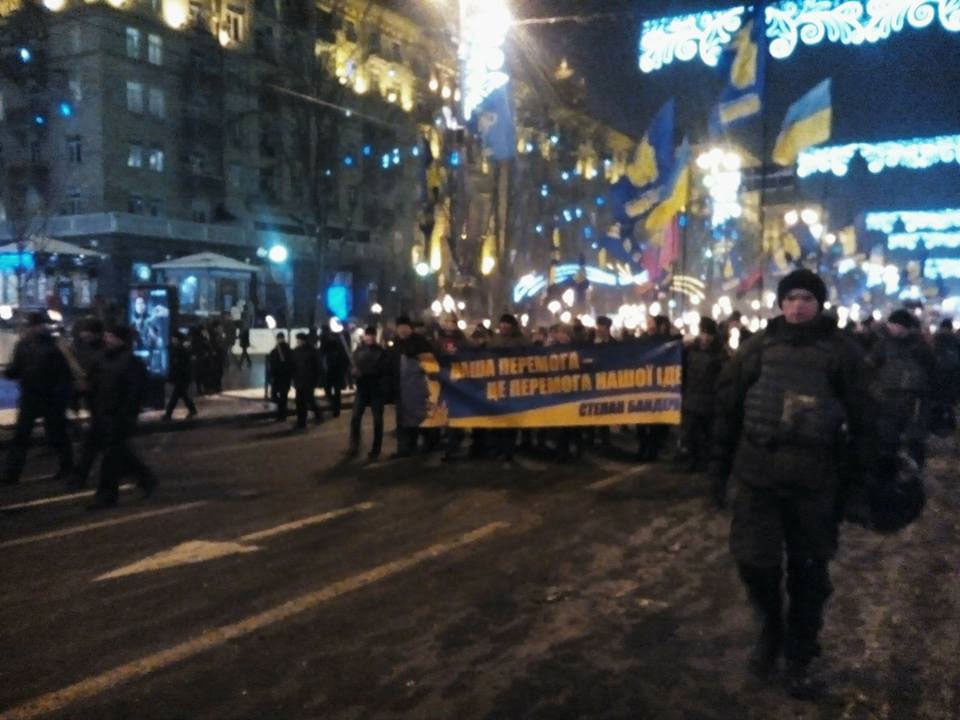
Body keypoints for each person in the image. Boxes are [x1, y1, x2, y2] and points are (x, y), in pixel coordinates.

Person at [709, 269, 867, 698]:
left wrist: (859, 480)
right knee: (753, 561)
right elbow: (728, 410)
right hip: (758, 476)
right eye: (791, 297)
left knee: (808, 572)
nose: (798, 306)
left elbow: (864, 418)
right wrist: (718, 473)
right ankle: (771, 629)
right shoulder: (755, 349)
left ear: (819, 304)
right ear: (780, 303)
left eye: (807, 299)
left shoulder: (842, 353)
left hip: (814, 482)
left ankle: (800, 652)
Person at [84, 324, 157, 509]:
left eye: (111, 336)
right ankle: (146, 478)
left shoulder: (131, 362)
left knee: (110, 457)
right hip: (101, 414)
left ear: (120, 340)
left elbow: (136, 392)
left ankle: (106, 496)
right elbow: (93, 384)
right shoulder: (101, 358)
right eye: (107, 335)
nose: (107, 339)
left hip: (119, 416)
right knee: (120, 453)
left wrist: (127, 414)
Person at [2, 313, 74, 485]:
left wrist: (9, 373)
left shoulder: (25, 345)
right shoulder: (53, 345)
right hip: (47, 397)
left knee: (24, 436)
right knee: (54, 433)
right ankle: (66, 467)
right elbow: (64, 373)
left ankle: (12, 474)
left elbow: (16, 369)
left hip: (36, 396)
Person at [865, 309, 936, 468]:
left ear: (903, 326)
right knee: (887, 438)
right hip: (888, 398)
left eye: (893, 324)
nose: (890, 327)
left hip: (915, 401)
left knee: (914, 438)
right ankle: (887, 469)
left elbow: (932, 370)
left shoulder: (920, 347)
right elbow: (869, 367)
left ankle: (913, 469)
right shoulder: (883, 345)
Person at [681, 317, 726, 475]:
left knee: (707, 435)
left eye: (709, 334)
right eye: (702, 333)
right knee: (690, 434)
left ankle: (706, 462)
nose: (705, 337)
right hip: (691, 399)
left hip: (709, 401)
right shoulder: (690, 350)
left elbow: (725, 378)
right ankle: (692, 461)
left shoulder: (720, 354)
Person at [389, 316, 433, 458]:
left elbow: (430, 363)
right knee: (403, 420)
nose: (402, 330)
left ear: (410, 328)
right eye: (399, 327)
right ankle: (405, 448)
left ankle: (428, 444)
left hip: (417, 387)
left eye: (405, 327)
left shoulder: (420, 342)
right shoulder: (395, 344)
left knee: (420, 417)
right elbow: (390, 364)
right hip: (400, 388)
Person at [348, 326, 388, 459]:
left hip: (376, 389)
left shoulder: (381, 352)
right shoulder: (358, 351)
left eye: (371, 335)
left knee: (377, 420)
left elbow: (383, 370)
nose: (369, 337)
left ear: (375, 336)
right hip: (362, 389)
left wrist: (364, 373)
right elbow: (352, 367)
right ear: (364, 336)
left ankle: (376, 448)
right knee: (355, 418)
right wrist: (353, 373)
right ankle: (354, 445)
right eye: (367, 335)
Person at [163, 331, 198, 421]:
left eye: (174, 338)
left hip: (182, 377)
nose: (172, 340)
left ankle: (168, 414)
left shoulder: (180, 350)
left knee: (175, 397)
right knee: (183, 395)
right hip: (182, 377)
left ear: (177, 340)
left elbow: (180, 365)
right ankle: (192, 410)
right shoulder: (180, 349)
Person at [292, 332, 323, 428]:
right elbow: (293, 365)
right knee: (299, 401)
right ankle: (301, 421)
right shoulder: (296, 351)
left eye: (299, 340)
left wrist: (316, 380)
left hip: (309, 380)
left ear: (304, 341)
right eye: (297, 340)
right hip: (299, 380)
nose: (298, 342)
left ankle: (315, 415)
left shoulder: (311, 351)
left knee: (308, 400)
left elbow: (317, 366)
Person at [320, 324, 349, 418]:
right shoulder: (332, 348)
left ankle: (335, 407)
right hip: (333, 371)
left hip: (334, 371)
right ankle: (336, 407)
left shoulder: (335, 348)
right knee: (334, 391)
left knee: (334, 391)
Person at [267, 332, 293, 422]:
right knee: (282, 396)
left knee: (278, 396)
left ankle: (281, 414)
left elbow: (272, 364)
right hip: (284, 377)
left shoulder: (277, 351)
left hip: (280, 377)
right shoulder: (287, 351)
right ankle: (282, 413)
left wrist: (271, 375)